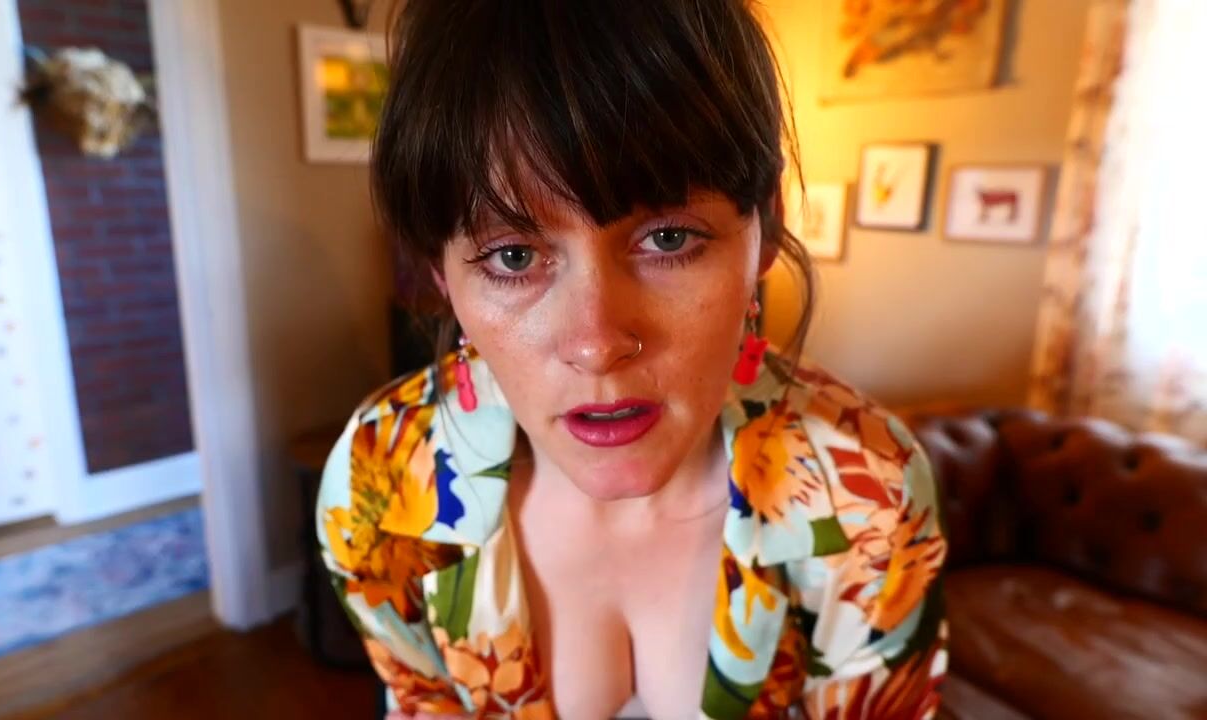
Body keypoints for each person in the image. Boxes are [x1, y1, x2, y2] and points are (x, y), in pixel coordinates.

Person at [315, 1, 948, 717]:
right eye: (513, 256)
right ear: (441, 272)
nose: (596, 343)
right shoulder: (381, 483)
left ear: (765, 229)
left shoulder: (866, 494)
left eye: (669, 239)